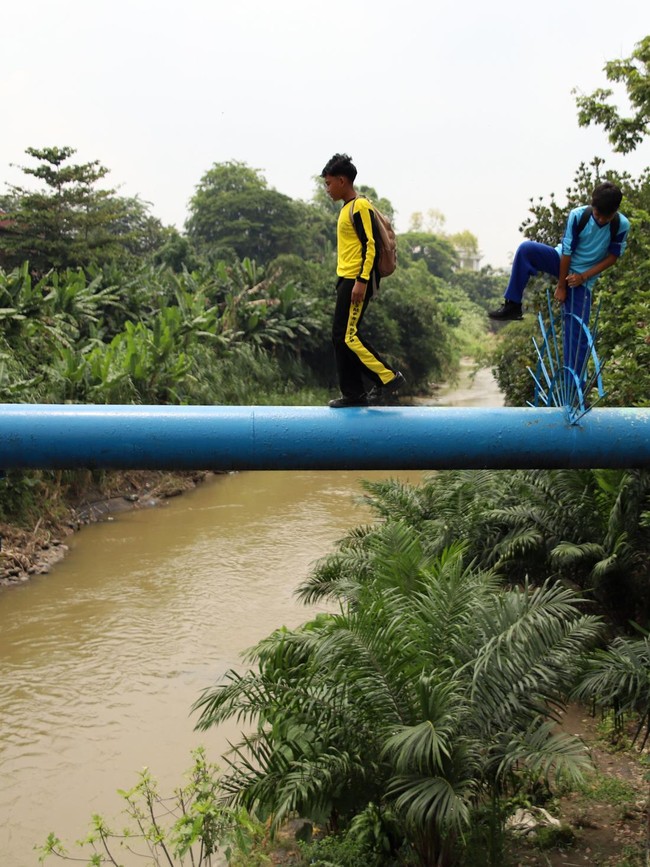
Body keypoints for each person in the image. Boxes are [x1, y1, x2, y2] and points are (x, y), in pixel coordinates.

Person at [489, 181, 630, 380]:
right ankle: (513, 305)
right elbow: (566, 251)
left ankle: (575, 390)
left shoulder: (621, 225)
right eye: (596, 213)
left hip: (583, 280)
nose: (599, 219)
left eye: (604, 217)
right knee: (526, 250)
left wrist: (583, 277)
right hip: (561, 261)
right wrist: (561, 285)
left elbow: (613, 257)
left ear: (614, 212)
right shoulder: (579, 215)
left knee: (577, 334)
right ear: (593, 206)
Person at [321, 153, 404, 408]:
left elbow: (371, 246)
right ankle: (353, 393)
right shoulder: (347, 208)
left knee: (349, 336)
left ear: (342, 180)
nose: (327, 189)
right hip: (346, 279)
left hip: (357, 280)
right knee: (339, 336)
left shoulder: (360, 206)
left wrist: (362, 281)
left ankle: (388, 377)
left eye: (329, 183)